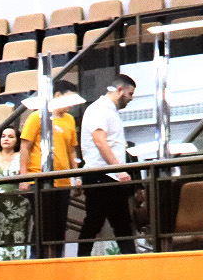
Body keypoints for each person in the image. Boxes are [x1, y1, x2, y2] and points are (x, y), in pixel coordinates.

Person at [76, 74, 140, 255]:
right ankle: (81, 261)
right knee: (95, 221)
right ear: (119, 90)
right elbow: (100, 141)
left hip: (110, 175)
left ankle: (131, 260)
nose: (131, 98)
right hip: (101, 174)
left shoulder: (110, 111)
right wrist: (119, 170)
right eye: (130, 93)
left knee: (122, 223)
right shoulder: (99, 109)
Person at [19, 99, 78, 255]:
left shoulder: (70, 120)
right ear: (59, 96)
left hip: (63, 180)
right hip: (38, 178)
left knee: (60, 224)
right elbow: (25, 146)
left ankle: (57, 258)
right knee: (42, 223)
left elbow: (72, 150)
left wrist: (76, 176)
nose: (72, 104)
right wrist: (23, 177)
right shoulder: (36, 116)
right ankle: (36, 258)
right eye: (69, 98)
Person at [0, 128, 30, 260]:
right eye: (3, 136)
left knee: (16, 236)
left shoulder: (21, 156)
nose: (6, 139)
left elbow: (26, 178)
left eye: (10, 136)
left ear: (17, 140)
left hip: (16, 205)